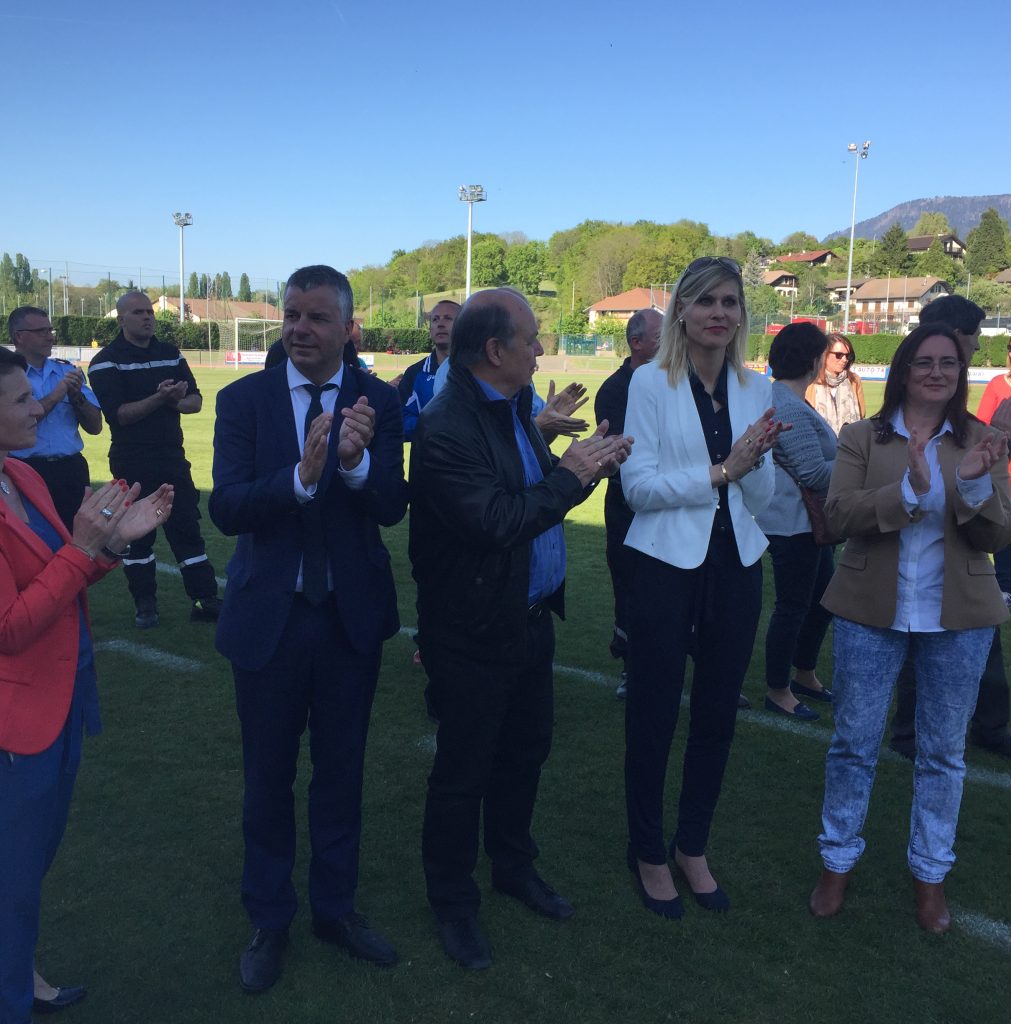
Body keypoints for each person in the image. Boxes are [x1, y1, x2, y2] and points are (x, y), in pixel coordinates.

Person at [410, 288, 630, 969]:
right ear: (494, 350)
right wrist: (571, 474)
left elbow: (520, 485)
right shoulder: (446, 425)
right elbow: (497, 520)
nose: (539, 350)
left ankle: (512, 866)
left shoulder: (510, 406)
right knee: (463, 773)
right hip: (473, 630)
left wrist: (575, 461)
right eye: (531, 339)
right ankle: (453, 902)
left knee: (525, 752)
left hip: (527, 619)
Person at [209, 265, 407, 994]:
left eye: (317, 317)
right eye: (292, 314)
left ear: (348, 329)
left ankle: (335, 909)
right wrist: (299, 479)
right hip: (271, 622)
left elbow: (392, 505)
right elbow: (225, 507)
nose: (299, 329)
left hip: (349, 622)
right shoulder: (245, 400)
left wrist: (352, 466)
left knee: (341, 773)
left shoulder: (379, 400)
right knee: (267, 778)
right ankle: (270, 917)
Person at [809, 324, 1011, 934]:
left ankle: (930, 874)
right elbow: (837, 516)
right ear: (902, 369)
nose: (936, 372)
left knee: (943, 754)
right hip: (870, 612)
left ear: (960, 373)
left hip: (959, 619)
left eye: (948, 363)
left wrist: (971, 483)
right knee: (853, 744)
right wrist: (907, 490)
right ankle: (836, 862)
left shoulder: (982, 439)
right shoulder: (862, 437)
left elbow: (999, 535)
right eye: (923, 361)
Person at [0, 346, 174, 1024]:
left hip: (64, 694)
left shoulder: (22, 474)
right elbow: (11, 627)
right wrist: (81, 546)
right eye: (21, 400)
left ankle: (19, 973)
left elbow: (62, 576)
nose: (37, 408)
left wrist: (112, 540)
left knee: (28, 866)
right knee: (13, 875)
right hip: (18, 718)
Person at [620, 257, 781, 919]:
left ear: (742, 315)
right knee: (653, 714)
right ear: (682, 311)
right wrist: (723, 470)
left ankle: (692, 846)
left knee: (716, 716)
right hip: (664, 567)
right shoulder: (650, 383)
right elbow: (637, 489)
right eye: (706, 300)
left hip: (736, 566)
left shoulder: (756, 387)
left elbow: (761, 497)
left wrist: (752, 467)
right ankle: (647, 851)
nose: (719, 312)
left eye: (730, 302)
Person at [888, 295, 1011, 762]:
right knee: (917, 636)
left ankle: (984, 725)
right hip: (920, 542)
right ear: (960, 335)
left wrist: (998, 442)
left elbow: (974, 459)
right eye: (974, 337)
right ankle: (916, 733)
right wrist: (995, 440)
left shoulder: (954, 396)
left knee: (978, 627)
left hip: (968, 541)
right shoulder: (915, 403)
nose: (976, 348)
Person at [87, 291, 221, 628]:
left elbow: (195, 402)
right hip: (132, 461)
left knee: (186, 528)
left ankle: (204, 599)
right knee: (137, 537)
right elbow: (120, 415)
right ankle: (145, 604)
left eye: (149, 311)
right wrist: (161, 398)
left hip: (172, 457)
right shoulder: (105, 361)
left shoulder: (170, 353)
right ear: (121, 319)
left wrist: (172, 401)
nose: (147, 317)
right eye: (138, 312)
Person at [758, 322, 837, 721]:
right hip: (791, 523)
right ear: (812, 360)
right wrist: (858, 460)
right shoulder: (786, 403)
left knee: (822, 601)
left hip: (806, 523)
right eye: (825, 355)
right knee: (794, 607)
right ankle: (779, 690)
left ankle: (804, 673)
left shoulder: (788, 398)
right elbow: (815, 474)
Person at [594, 308, 662, 700]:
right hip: (627, 507)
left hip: (668, 503)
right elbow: (625, 452)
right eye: (661, 336)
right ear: (637, 343)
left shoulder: (677, 382)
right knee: (631, 589)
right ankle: (631, 668)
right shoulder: (615, 390)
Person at [8, 307, 103, 533]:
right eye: (41, 331)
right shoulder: (9, 377)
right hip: (25, 469)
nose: (50, 336)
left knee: (77, 537)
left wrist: (76, 396)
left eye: (50, 330)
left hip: (70, 470)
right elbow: (14, 423)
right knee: (32, 536)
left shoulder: (66, 371)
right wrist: (57, 394)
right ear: (19, 336)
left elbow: (95, 426)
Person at [976, 322, 1011, 609]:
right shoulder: (997, 384)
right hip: (1004, 471)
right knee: (1004, 531)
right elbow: (982, 426)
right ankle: (1007, 590)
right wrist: (1006, 430)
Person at [398, 300, 461, 439]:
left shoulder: (478, 370)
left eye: (448, 318)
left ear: (463, 326)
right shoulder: (415, 373)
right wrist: (433, 424)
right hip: (426, 453)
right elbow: (400, 421)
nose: (440, 324)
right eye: (435, 319)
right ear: (430, 330)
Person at [805, 333, 866, 435]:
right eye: (839, 355)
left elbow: (862, 413)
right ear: (825, 355)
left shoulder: (854, 380)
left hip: (850, 442)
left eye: (848, 355)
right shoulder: (810, 382)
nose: (844, 360)